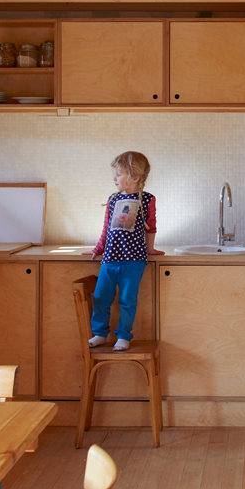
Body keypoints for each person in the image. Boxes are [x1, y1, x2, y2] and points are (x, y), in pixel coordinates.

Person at [88, 151, 164, 352]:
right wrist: (98, 248)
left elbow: (152, 226)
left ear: (135, 177)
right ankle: (100, 333)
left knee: (127, 300)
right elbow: (106, 228)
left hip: (134, 260)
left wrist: (150, 249)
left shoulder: (148, 199)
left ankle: (123, 336)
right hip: (110, 258)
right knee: (101, 297)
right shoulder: (112, 200)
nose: (114, 178)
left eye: (119, 174)